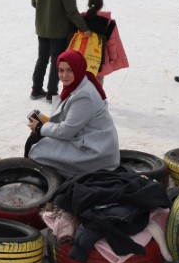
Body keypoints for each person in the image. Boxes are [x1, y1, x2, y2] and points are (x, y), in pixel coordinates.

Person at [25, 50, 120, 178]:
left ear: (78, 69)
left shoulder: (84, 95)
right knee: (38, 139)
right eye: (61, 70)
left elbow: (66, 131)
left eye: (70, 70)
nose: (64, 75)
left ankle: (47, 179)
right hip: (88, 140)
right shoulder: (79, 84)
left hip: (95, 152)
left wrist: (40, 127)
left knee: (37, 150)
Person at [31, 0, 90, 102]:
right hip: (59, 29)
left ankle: (36, 89)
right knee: (56, 61)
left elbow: (34, 2)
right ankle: (51, 93)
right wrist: (84, 28)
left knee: (42, 58)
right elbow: (71, 10)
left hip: (42, 27)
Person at [82, 0, 129, 85]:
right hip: (100, 59)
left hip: (83, 57)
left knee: (83, 81)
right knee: (98, 82)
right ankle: (97, 97)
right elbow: (111, 43)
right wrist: (113, 58)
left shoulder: (80, 19)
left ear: (88, 4)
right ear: (101, 6)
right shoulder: (108, 22)